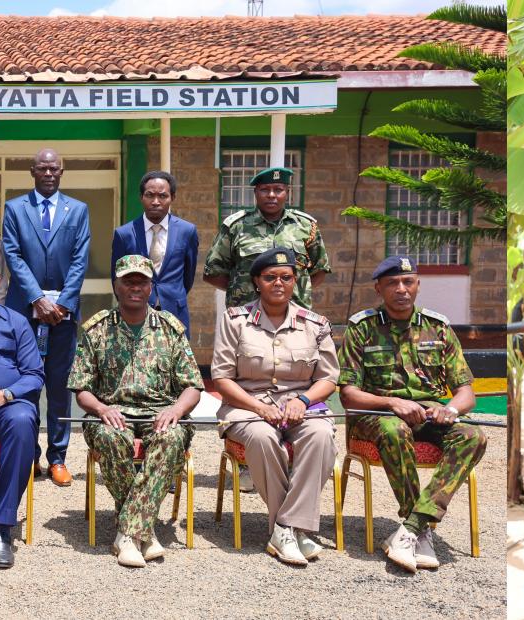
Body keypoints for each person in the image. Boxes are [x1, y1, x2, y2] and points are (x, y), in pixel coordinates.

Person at [337, 256, 486, 573]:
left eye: (408, 282)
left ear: (418, 285)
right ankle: (419, 531)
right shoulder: (362, 329)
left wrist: (450, 409)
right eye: (392, 283)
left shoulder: (438, 327)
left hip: (429, 416)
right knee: (395, 430)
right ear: (379, 288)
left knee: (473, 436)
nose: (401, 289)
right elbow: (348, 393)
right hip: (374, 416)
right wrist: (391, 402)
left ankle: (413, 527)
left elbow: (466, 392)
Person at [67, 255, 203, 568]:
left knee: (170, 438)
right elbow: (81, 387)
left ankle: (127, 533)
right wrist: (101, 408)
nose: (135, 287)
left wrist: (176, 410)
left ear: (151, 286)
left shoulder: (170, 328)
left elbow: (193, 386)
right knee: (111, 436)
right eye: (128, 281)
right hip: (112, 413)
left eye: (141, 281)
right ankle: (145, 529)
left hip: (161, 412)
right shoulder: (97, 329)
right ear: (116, 285)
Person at [211, 246, 338, 566]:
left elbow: (328, 378)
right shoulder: (235, 320)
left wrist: (304, 400)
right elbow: (222, 378)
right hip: (246, 406)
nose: (278, 283)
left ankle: (285, 527)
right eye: (270, 277)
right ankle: (294, 530)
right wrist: (257, 407)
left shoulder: (315, 324)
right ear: (257, 282)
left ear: (296, 281)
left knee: (321, 436)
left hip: (300, 406)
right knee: (263, 438)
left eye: (286, 277)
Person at [2, 147, 90, 487]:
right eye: (43, 168)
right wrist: (38, 299)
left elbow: (81, 257)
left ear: (62, 171)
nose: (49, 173)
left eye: (55, 168)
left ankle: (58, 458)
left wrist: (63, 302)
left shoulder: (78, 210)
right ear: (33, 171)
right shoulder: (14, 208)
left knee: (58, 384)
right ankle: (28, 454)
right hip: (24, 312)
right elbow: (13, 253)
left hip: (63, 315)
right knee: (23, 381)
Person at [203, 166, 330, 310]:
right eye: (264, 189)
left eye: (278, 189)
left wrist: (293, 291)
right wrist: (244, 290)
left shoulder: (305, 226)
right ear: (255, 192)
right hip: (247, 316)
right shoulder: (236, 226)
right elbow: (212, 273)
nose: (271, 195)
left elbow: (319, 270)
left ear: (287, 192)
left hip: (294, 315)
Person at [0, 256, 44, 569]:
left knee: (24, 422)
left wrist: (6, 395)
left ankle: (1, 526)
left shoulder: (16, 322)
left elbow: (35, 374)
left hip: (5, 407)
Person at [111, 170, 199, 337]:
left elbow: (188, 275)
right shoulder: (124, 234)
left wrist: (171, 294)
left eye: (163, 196)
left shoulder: (187, 231)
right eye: (150, 195)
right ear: (141, 197)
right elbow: (116, 279)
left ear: (172, 197)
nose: (156, 202)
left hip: (175, 313)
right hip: (134, 314)